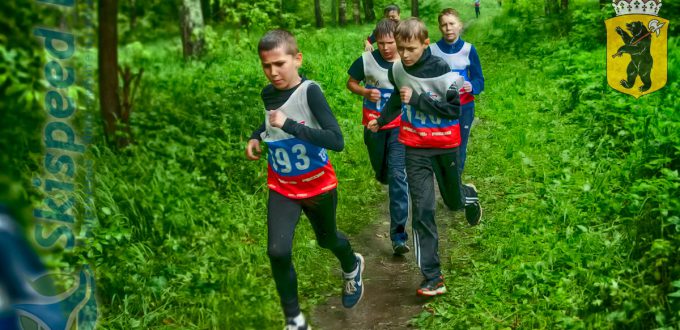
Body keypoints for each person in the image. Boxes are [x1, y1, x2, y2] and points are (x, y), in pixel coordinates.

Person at [246, 29, 365, 330]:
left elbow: (335, 140)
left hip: (318, 185)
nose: (273, 72)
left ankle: (352, 265)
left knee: (327, 240)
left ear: (297, 59)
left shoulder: (310, 91)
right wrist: (255, 136)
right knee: (277, 251)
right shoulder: (267, 93)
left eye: (279, 64)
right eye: (266, 66)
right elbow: (270, 124)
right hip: (282, 186)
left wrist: (290, 125)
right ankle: (295, 321)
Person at [367, 18, 482, 297]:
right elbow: (397, 97)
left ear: (425, 44)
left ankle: (468, 195)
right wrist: (382, 121)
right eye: (401, 48)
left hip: (445, 145)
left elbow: (452, 111)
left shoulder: (441, 68)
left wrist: (417, 100)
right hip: (414, 146)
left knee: (452, 201)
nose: (404, 55)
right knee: (423, 210)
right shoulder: (398, 68)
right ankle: (432, 276)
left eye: (411, 49)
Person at [346, 19, 410, 255]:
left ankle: (399, 236)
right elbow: (350, 82)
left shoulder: (406, 62)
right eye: (381, 43)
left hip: (398, 127)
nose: (386, 48)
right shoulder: (366, 60)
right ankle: (383, 173)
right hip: (373, 127)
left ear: (398, 40)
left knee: (397, 176)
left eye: (390, 42)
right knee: (382, 172)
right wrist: (364, 91)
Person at [430, 8, 485, 173]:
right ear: (440, 28)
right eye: (444, 25)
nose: (448, 28)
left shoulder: (469, 49)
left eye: (452, 24)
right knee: (441, 144)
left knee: (460, 145)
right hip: (440, 108)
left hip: (464, 107)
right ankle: (441, 176)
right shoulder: (432, 50)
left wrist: (472, 86)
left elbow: (479, 79)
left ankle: (456, 181)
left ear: (459, 26)